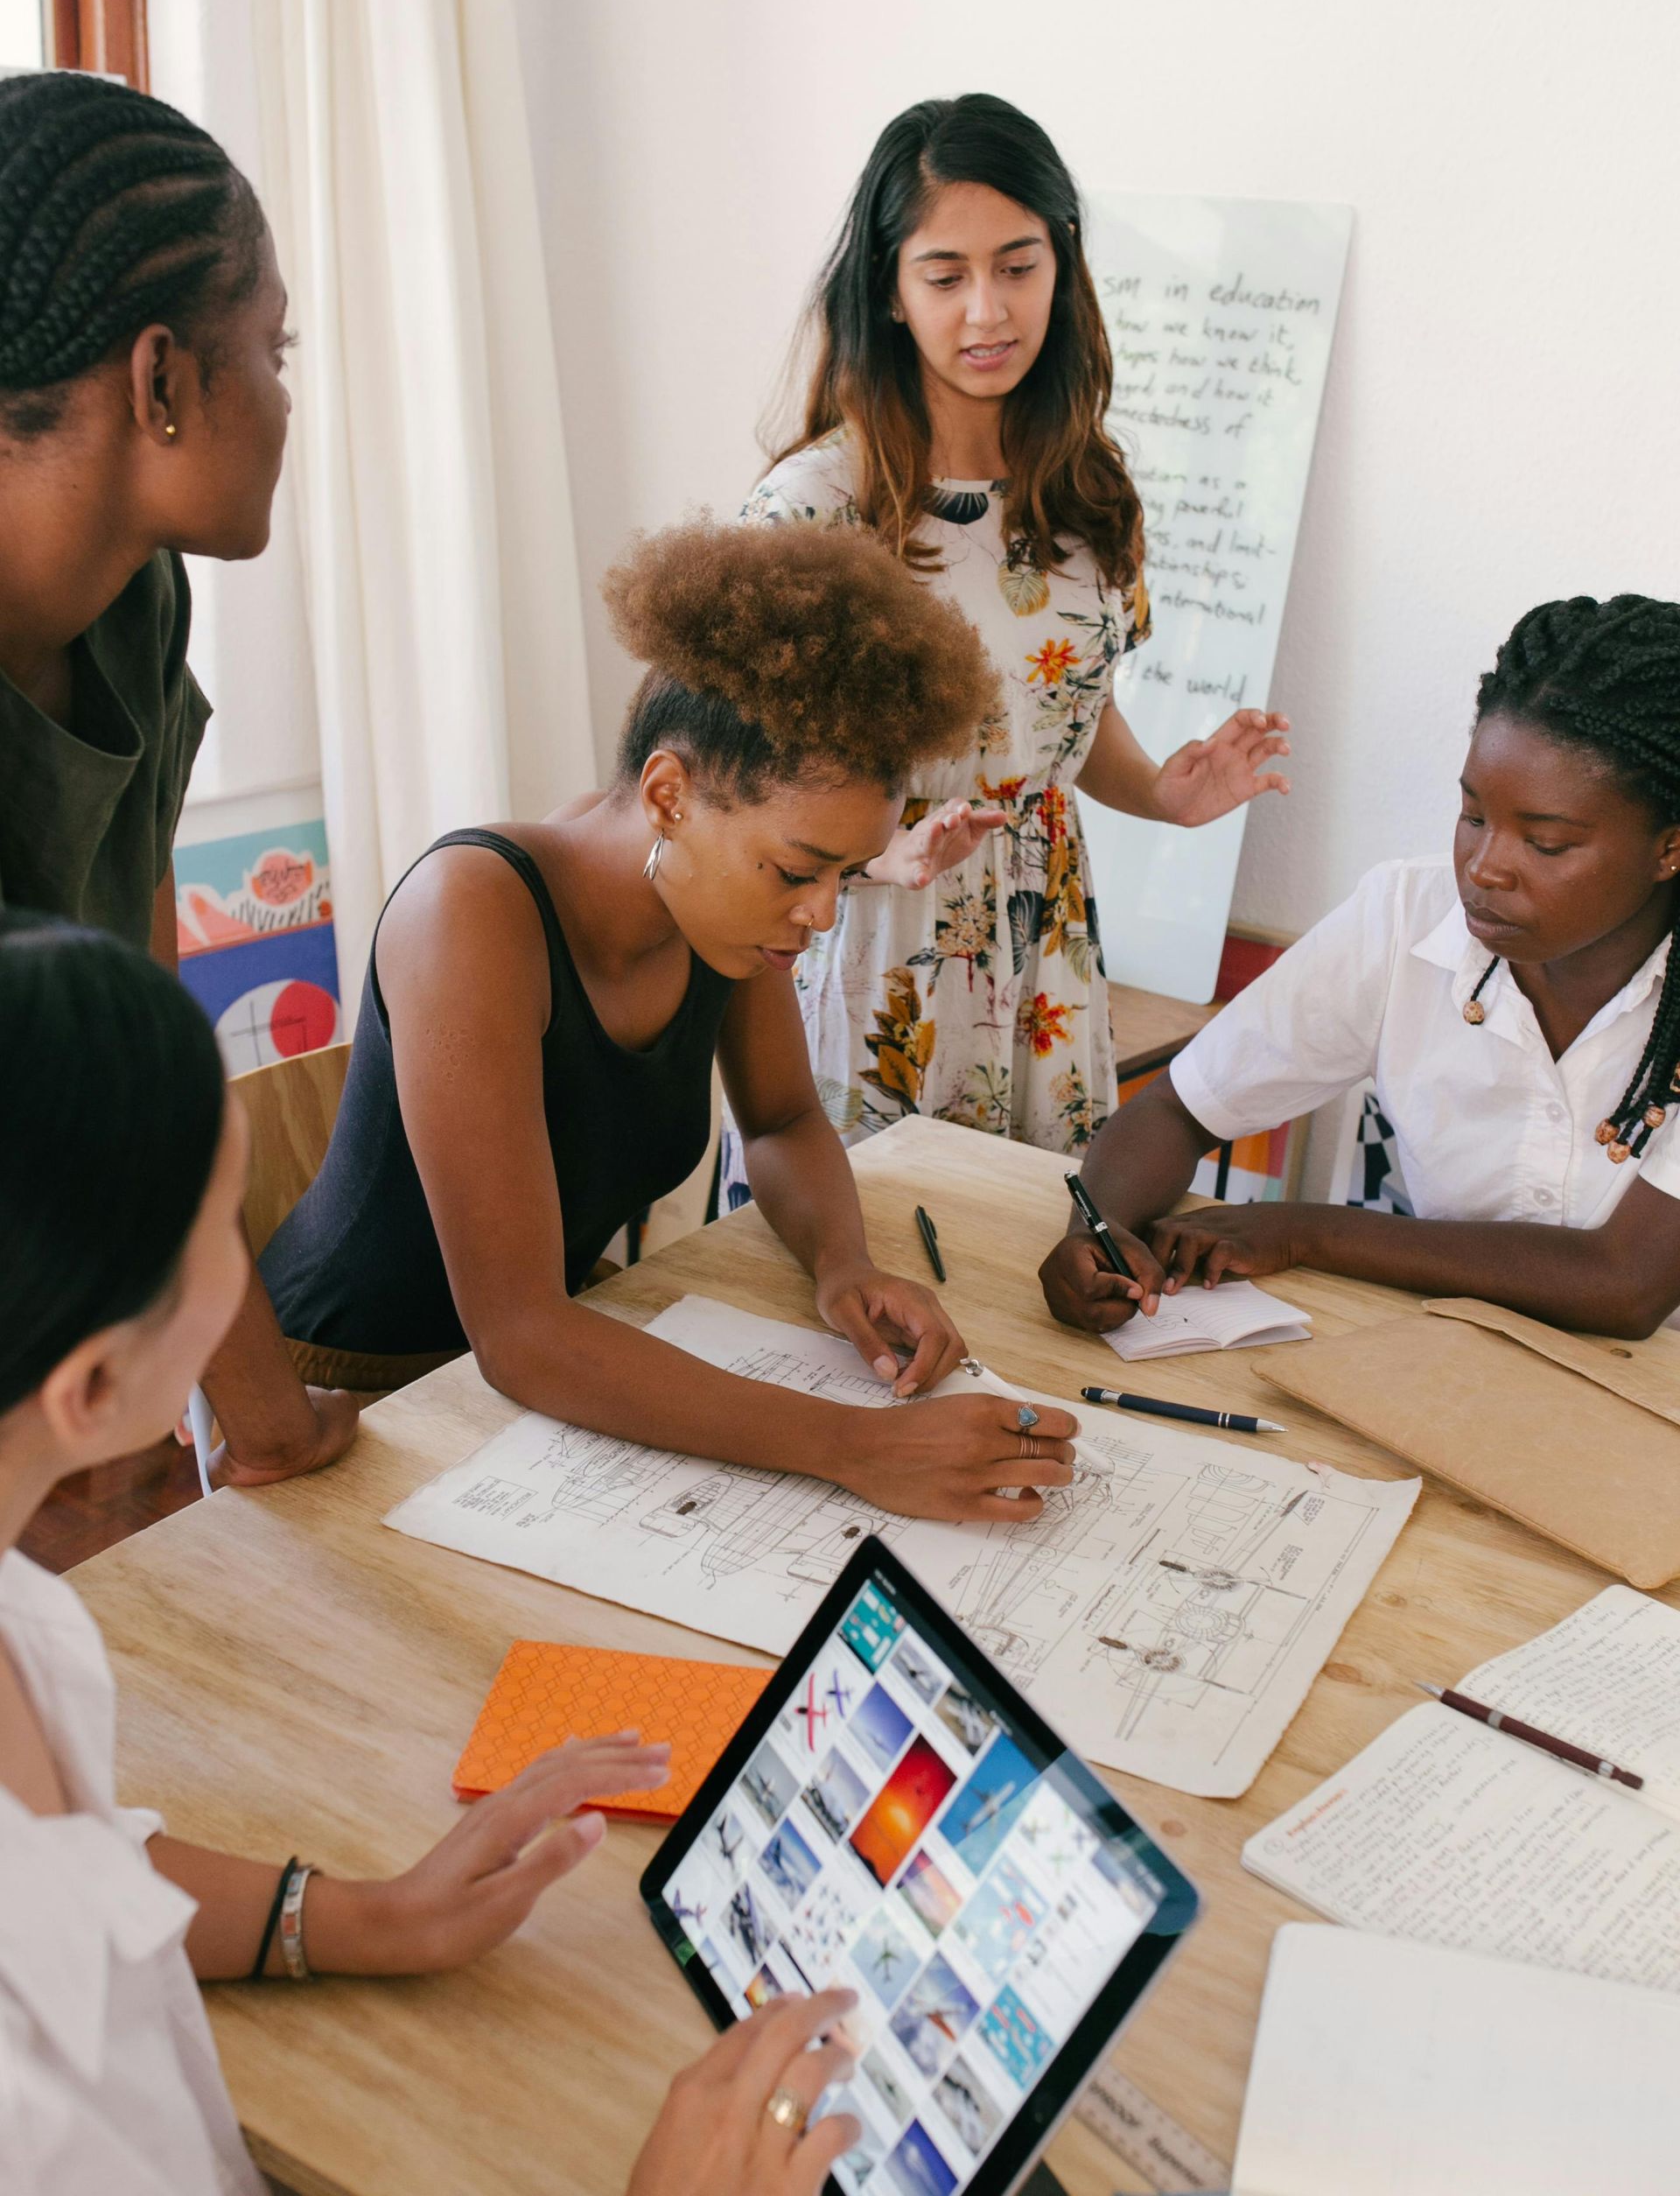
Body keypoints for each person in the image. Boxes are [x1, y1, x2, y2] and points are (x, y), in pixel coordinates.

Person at [0, 909, 864, 2194]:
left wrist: (342, 1916)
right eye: (224, 1245)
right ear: (91, 1388)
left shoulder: (28, 1613)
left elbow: (59, 1880)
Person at [262, 517, 1082, 1520]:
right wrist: (853, 1443)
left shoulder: (725, 915)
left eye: (844, 872)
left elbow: (781, 1120)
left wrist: (842, 1264)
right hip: (355, 1389)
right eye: (796, 870)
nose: (822, 913)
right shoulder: (470, 914)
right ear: (669, 795)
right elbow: (517, 1335)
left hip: (562, 1342)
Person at [736, 92, 1289, 1168]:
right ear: (890, 292)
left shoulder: (1088, 492)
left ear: (1063, 265)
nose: (987, 311)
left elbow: (1064, 726)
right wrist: (876, 854)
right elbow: (727, 786)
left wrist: (1170, 796)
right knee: (857, 1290)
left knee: (1029, 1272)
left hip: (1042, 942)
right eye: (946, 276)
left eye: (1018, 266)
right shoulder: (810, 513)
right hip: (866, 944)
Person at [0, 68, 352, 1488]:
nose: (283, 398)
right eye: (272, 351)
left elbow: (148, 1046)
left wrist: (252, 1415)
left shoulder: (140, 603)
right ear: (160, 381)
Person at [1040, 595, 1680, 1342]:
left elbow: (1627, 1284)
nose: (1484, 867)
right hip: (1452, 1360)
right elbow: (1178, 1109)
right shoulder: (1407, 917)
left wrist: (1302, 1233)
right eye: (1473, 816)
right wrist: (1101, 1228)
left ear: (1669, 847)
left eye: (1545, 844)